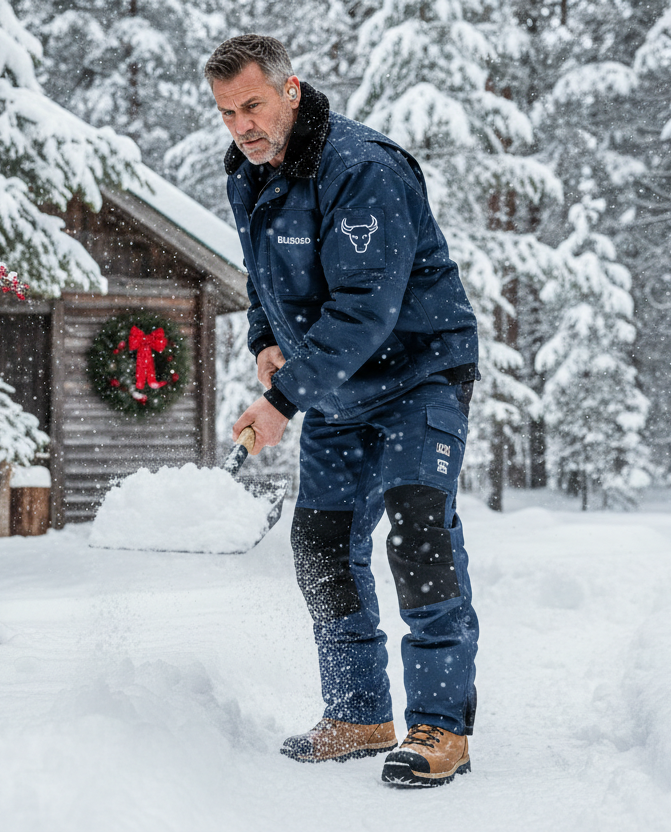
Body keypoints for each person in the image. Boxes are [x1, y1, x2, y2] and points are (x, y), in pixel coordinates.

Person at [205, 34, 481, 789]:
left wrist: (280, 400)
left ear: (290, 91)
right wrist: (265, 341)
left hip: (419, 371)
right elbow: (261, 275)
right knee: (322, 544)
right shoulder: (248, 173)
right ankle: (359, 713)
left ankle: (441, 727)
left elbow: (366, 308)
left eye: (253, 106)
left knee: (420, 532)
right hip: (337, 385)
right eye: (227, 112)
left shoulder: (363, 167)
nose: (242, 126)